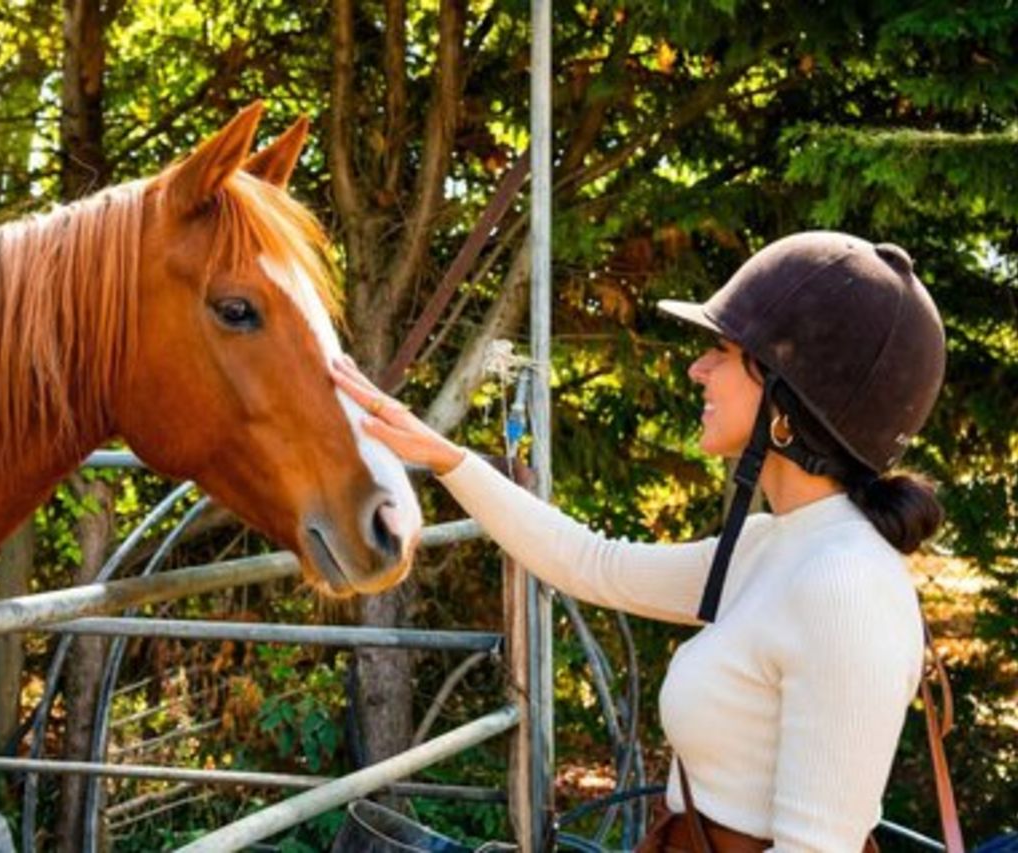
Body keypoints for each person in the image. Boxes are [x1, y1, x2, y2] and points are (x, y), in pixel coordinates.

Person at [330, 231, 947, 851]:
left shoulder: (844, 585)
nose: (697, 367)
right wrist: (445, 457)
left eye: (724, 350)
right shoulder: (772, 545)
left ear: (788, 399)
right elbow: (594, 564)